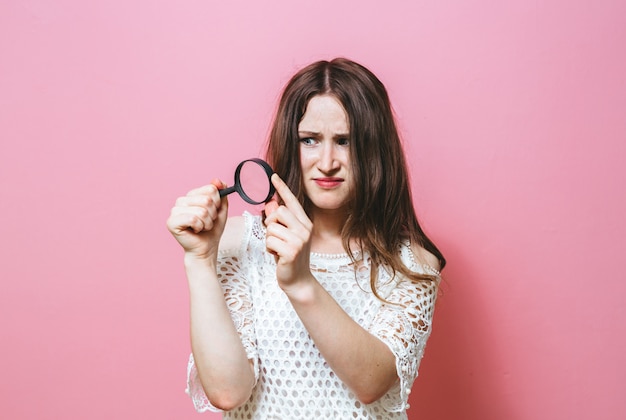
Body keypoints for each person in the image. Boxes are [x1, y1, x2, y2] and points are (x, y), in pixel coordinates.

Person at [166, 57, 446, 419]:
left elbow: (370, 382)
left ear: (375, 150)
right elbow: (227, 391)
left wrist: (300, 281)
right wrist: (200, 261)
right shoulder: (240, 243)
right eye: (310, 140)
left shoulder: (413, 265)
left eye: (344, 141)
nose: (327, 162)